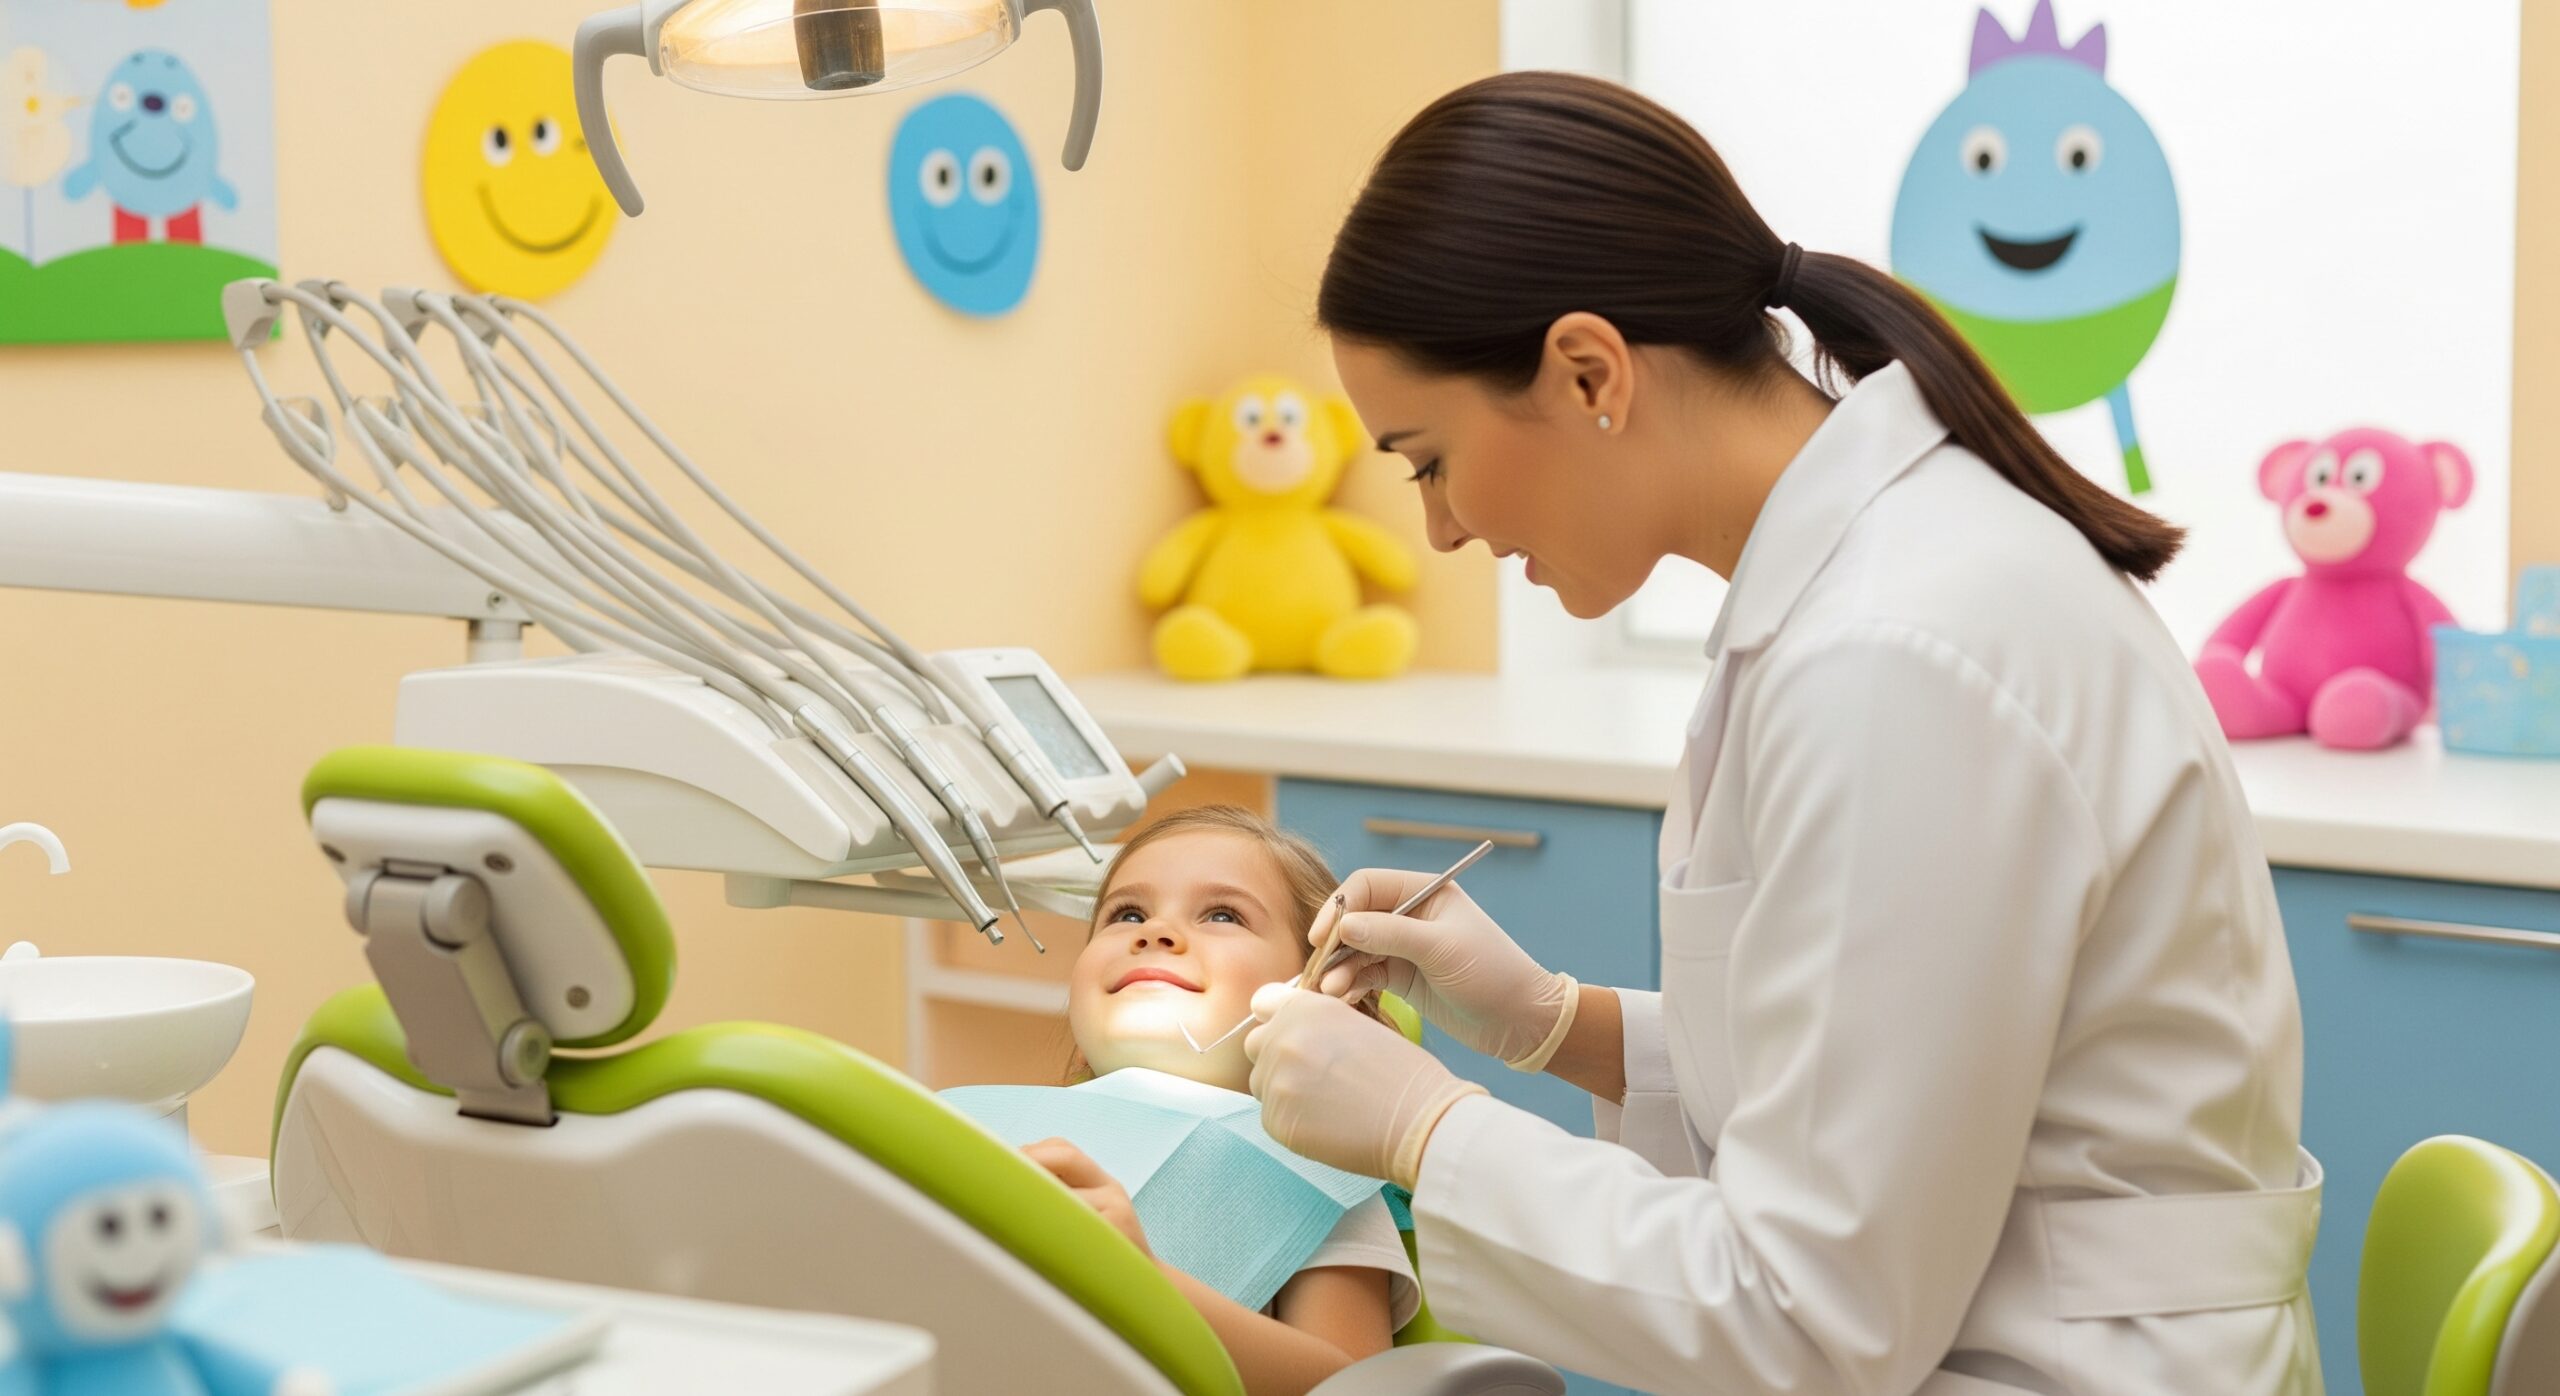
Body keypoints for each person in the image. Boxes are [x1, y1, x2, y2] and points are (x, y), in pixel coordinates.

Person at [1241, 72, 2320, 1396]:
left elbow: (1812, 1317)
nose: (1442, 529)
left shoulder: (1896, 654)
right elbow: (1874, 1087)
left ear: (1589, 372)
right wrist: (1548, 1022)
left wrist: (1424, 1131)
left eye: (1426, 457)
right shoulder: (1857, 596)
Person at [1022, 806, 1416, 1396]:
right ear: (1078, 1040)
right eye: (1127, 913)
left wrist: (1146, 1287)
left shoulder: (1316, 1175)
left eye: (1222, 914)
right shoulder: (1008, 1137)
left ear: (1319, 1008)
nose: (1153, 933)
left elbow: (1351, 1388)